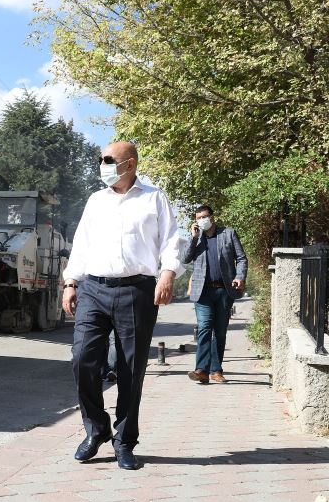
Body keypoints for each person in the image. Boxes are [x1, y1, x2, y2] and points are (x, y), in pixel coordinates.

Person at [62, 141, 183, 470]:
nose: (101, 164)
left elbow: (173, 239)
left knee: (131, 369)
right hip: (94, 289)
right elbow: (82, 243)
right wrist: (71, 282)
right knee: (82, 360)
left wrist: (168, 275)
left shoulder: (153, 198)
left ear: (129, 165)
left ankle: (124, 441)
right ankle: (96, 429)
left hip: (137, 291)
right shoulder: (96, 201)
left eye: (108, 160)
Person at [184, 205, 247, 384]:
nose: (202, 220)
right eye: (198, 218)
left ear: (212, 217)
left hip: (223, 290)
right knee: (204, 327)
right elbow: (185, 258)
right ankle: (202, 370)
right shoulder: (197, 239)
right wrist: (193, 238)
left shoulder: (228, 233)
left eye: (204, 217)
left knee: (219, 331)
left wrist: (240, 276)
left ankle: (215, 371)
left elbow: (241, 258)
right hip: (202, 292)